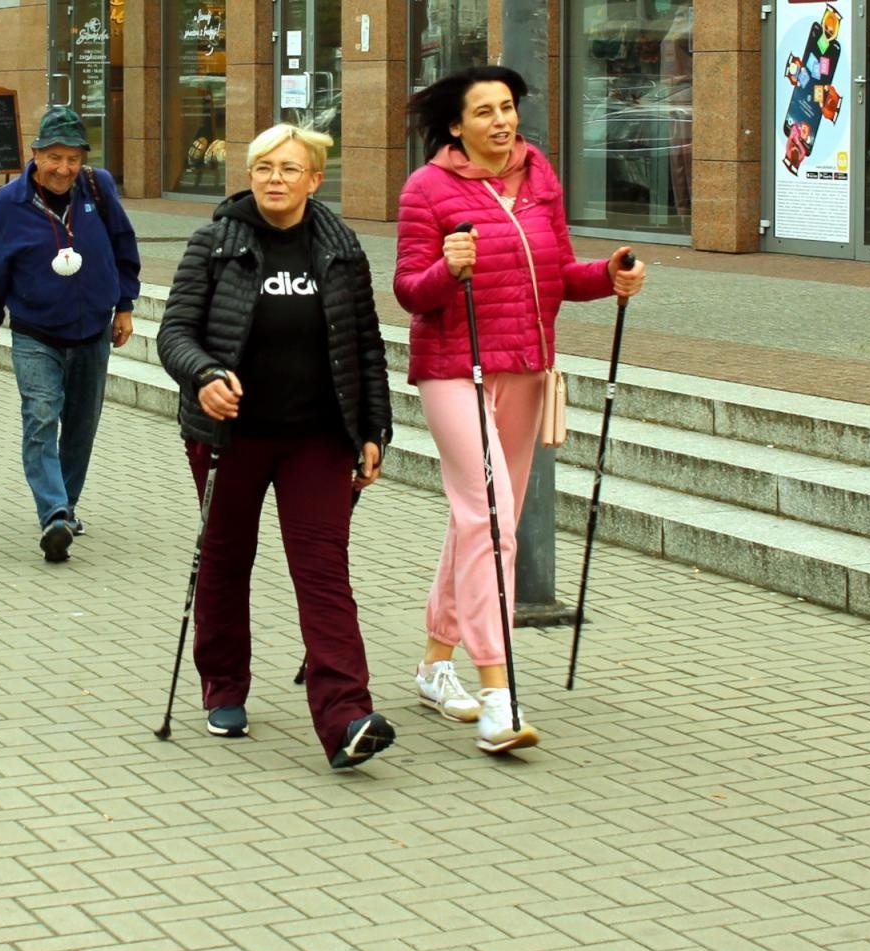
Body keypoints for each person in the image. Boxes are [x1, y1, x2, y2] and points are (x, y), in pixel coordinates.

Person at [395, 66, 645, 754]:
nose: (503, 122)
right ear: (456, 126)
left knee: (477, 521)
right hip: (454, 368)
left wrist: (609, 276)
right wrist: (450, 268)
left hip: (525, 368)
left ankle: (433, 665)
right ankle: (498, 692)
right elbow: (411, 291)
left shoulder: (540, 180)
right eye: (486, 112)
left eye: (509, 108)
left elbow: (561, 273)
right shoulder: (428, 189)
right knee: (493, 517)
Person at [156, 123, 395, 770]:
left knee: (323, 573)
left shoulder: (341, 249)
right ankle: (225, 684)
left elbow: (366, 348)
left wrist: (374, 431)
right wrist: (204, 377)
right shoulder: (215, 242)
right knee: (227, 558)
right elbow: (174, 331)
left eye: (289, 169)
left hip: (317, 437)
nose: (274, 179)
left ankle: (347, 716)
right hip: (230, 436)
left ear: (315, 179)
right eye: (264, 167)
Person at [0, 107, 140, 563]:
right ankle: (54, 513)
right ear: (36, 154)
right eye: (55, 158)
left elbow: (125, 245)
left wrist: (125, 304)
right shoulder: (9, 202)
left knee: (81, 424)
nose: (64, 169)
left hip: (92, 329)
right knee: (42, 416)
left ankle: (68, 503)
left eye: (73, 159)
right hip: (35, 331)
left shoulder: (98, 188)